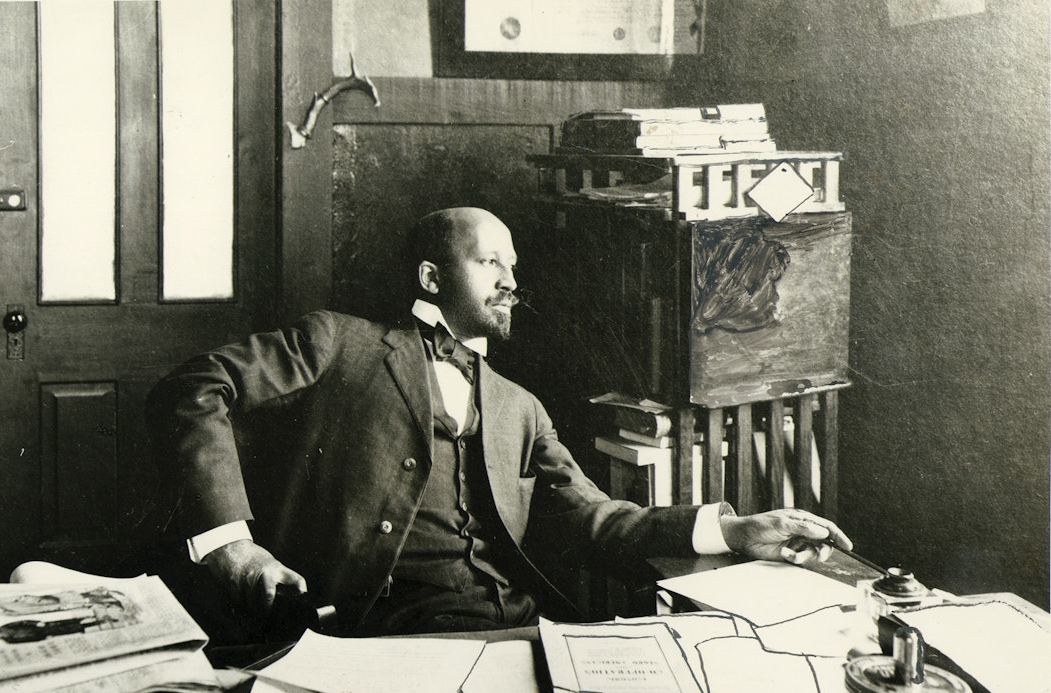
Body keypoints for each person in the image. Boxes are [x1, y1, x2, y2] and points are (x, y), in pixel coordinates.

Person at [146, 207, 851, 638]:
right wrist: (229, 546)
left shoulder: (519, 405)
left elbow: (596, 522)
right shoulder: (338, 343)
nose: (511, 281)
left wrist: (731, 530)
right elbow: (195, 386)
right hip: (367, 633)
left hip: (517, 631)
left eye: (513, 266)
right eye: (490, 263)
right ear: (431, 278)